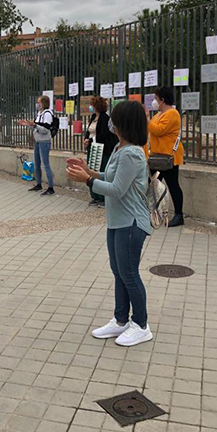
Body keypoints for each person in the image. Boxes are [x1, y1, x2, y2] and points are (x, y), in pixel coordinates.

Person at [66, 100, 153, 347]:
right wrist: (90, 171)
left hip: (131, 223)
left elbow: (116, 189)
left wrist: (87, 181)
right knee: (119, 272)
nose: (110, 122)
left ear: (123, 123)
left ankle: (142, 325)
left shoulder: (133, 153)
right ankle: (121, 319)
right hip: (117, 222)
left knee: (129, 274)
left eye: (114, 118)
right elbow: (110, 177)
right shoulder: (119, 148)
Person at [147, 87, 185, 227]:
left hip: (169, 157)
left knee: (173, 185)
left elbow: (158, 130)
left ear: (162, 100)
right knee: (151, 184)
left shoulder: (172, 114)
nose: (154, 102)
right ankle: (152, 212)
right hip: (156, 157)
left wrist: (147, 120)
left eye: (156, 99)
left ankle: (179, 215)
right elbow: (151, 130)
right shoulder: (158, 115)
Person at [84, 96, 118, 207]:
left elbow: (104, 134)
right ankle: (95, 196)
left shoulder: (104, 118)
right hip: (92, 147)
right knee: (91, 169)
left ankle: (103, 197)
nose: (90, 107)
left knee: (100, 170)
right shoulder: (93, 116)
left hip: (101, 148)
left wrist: (91, 140)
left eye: (92, 104)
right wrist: (86, 139)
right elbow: (89, 130)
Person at [19, 95, 55, 196]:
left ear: (43, 103)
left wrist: (34, 125)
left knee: (46, 164)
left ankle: (51, 187)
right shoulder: (39, 114)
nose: (37, 104)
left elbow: (45, 130)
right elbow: (36, 129)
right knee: (37, 164)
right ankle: (39, 184)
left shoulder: (47, 114)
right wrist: (27, 124)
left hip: (44, 142)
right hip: (38, 141)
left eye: (39, 102)